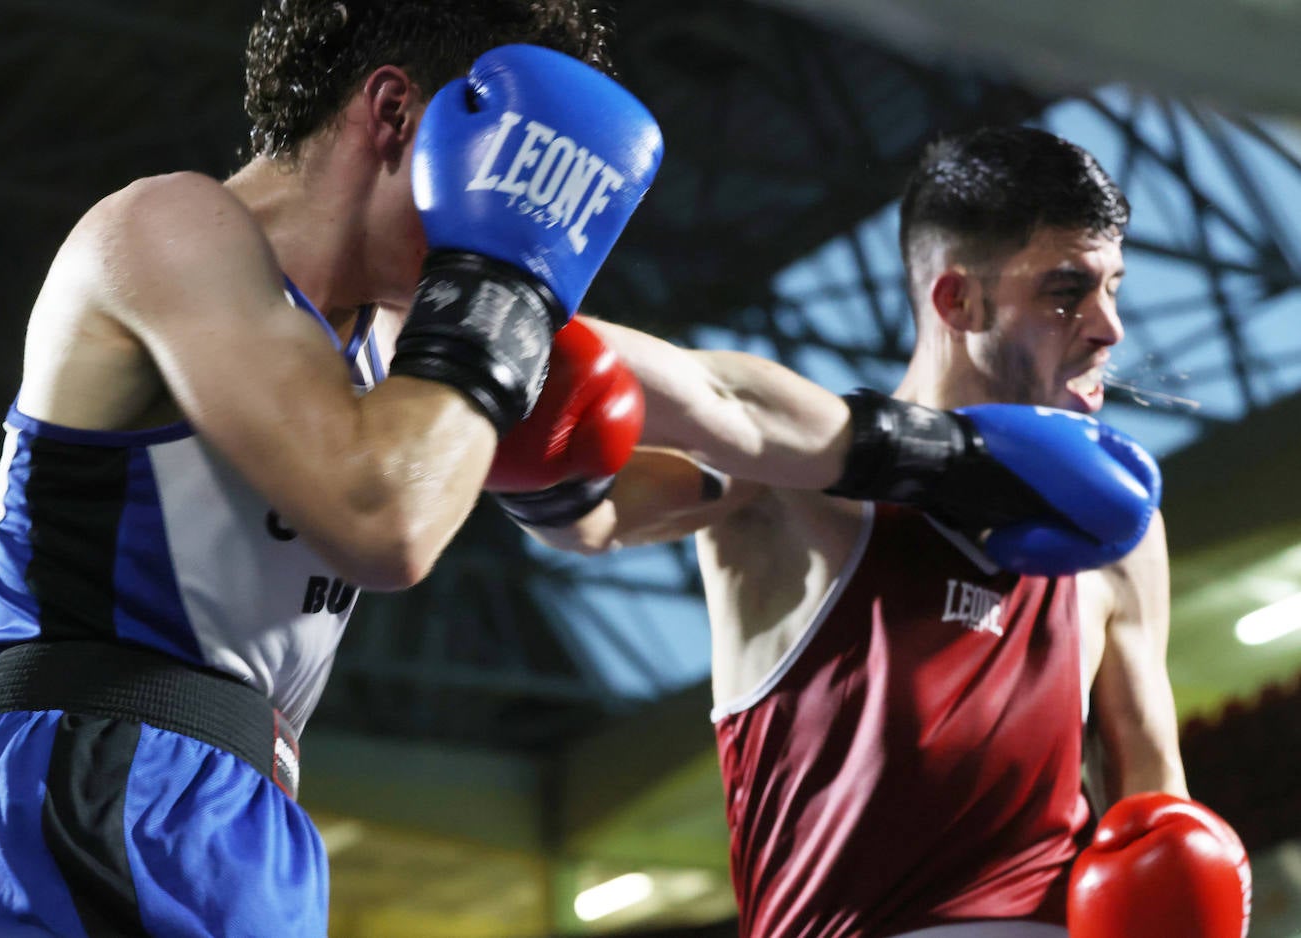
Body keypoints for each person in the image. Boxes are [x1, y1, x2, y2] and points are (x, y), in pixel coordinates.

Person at [0, 2, 662, 936]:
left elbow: (714, 405)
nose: (514, 213)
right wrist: (504, 291)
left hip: (244, 813)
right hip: (88, 773)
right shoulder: (170, 227)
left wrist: (886, 447)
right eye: (506, 168)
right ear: (395, 113)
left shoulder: (396, 341)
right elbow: (383, 519)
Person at [492, 127, 1250, 936]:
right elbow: (607, 504)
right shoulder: (791, 484)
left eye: (1114, 287)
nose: (1108, 328)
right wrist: (489, 324)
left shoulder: (1116, 533)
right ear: (956, 300)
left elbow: (1153, 803)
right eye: (1066, 292)